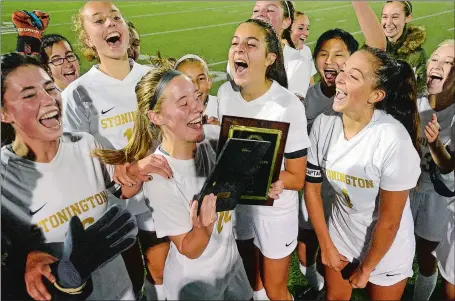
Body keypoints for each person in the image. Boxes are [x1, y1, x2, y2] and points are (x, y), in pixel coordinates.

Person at [93, 63, 261, 300]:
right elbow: (188, 249)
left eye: (197, 97)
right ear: (156, 116)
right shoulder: (160, 176)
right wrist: (203, 227)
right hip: (196, 287)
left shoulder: (214, 140)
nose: (198, 108)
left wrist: (262, 185)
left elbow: (237, 184)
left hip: (231, 267)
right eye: (183, 103)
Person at [0, 52, 137, 300]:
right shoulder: (4, 178)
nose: (49, 99)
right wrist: (27, 259)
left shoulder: (85, 144)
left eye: (50, 88)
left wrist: (133, 174)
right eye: (30, 95)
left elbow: (121, 188)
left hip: (120, 291)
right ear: (4, 113)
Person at [62, 2, 172, 300]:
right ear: (86, 38)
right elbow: (74, 158)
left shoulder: (154, 78)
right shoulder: (76, 93)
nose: (110, 24)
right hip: (112, 203)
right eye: (98, 21)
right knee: (129, 283)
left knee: (162, 274)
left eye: (115, 17)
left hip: (159, 195)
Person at [304, 46, 421, 300]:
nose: (340, 77)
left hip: (385, 250)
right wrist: (327, 246)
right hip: (341, 237)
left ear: (375, 95)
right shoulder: (324, 123)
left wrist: (367, 268)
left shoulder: (392, 139)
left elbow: (389, 221)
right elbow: (311, 189)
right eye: (343, 70)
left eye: (354, 76)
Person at [206, 18, 309, 300]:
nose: (240, 49)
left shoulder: (288, 105)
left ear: (269, 58)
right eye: (235, 43)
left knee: (276, 289)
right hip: (237, 206)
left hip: (274, 210)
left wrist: (276, 180)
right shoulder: (225, 94)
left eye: (251, 44)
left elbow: (297, 177)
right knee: (254, 283)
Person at [297, 1, 387, 292]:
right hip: (313, 189)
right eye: (323, 54)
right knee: (309, 244)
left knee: (344, 257)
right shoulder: (307, 97)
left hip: (346, 195)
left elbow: (378, 46)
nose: (329, 60)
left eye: (339, 54)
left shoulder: (359, 92)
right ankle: (319, 286)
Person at [411, 39, 455, 301]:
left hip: (439, 199)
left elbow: (450, 169)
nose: (436, 65)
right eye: (434, 59)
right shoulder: (413, 102)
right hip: (406, 190)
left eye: (447, 62)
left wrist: (435, 143)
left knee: (426, 257)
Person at [226, 1, 312, 100]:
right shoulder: (238, 58)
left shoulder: (298, 62)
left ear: (285, 22)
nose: (260, 14)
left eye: (270, 10)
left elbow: (291, 109)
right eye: (256, 10)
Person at [381, 0, 427, 93]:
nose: (388, 23)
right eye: (385, 17)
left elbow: (417, 94)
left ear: (408, 18)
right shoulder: (373, 47)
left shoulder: (416, 56)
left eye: (395, 17)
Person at [290, 11, 317, 85]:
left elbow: (311, 80)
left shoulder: (306, 50)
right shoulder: (276, 53)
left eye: (307, 29)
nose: (306, 33)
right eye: (300, 28)